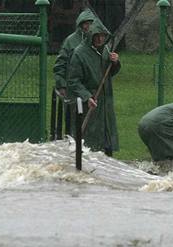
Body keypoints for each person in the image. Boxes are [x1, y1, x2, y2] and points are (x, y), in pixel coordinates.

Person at [67, 17, 121, 156]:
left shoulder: (105, 50)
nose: (100, 39)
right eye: (96, 36)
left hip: (105, 101)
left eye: (102, 36)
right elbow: (73, 81)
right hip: (89, 102)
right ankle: (83, 161)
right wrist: (87, 96)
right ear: (91, 36)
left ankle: (109, 163)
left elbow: (110, 73)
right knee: (89, 139)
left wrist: (115, 62)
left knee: (106, 135)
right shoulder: (79, 54)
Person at [53, 9, 98, 99]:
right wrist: (61, 85)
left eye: (91, 24)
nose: (88, 27)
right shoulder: (70, 41)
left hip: (93, 90)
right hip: (73, 88)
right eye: (86, 23)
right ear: (80, 24)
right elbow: (60, 65)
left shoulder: (97, 40)